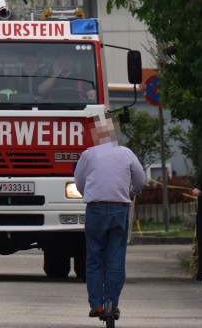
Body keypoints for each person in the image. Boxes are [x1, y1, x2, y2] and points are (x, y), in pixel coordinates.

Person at [74, 116, 145, 320]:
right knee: (115, 258)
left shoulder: (88, 155)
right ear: (113, 135)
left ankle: (96, 305)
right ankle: (112, 303)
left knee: (94, 258)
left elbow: (79, 182)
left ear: (96, 135)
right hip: (120, 209)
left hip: (95, 210)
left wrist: (90, 191)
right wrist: (132, 191)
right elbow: (139, 180)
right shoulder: (126, 153)